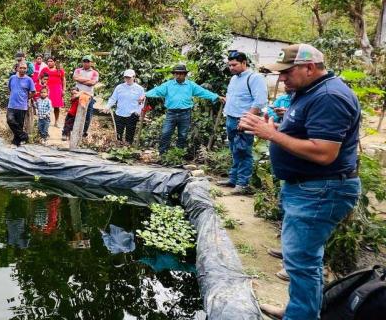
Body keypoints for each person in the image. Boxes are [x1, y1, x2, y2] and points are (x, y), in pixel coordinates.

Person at [239, 44, 361, 320]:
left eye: (287, 72)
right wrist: (278, 128)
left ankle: (301, 316)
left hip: (320, 190)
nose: (282, 78)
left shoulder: (329, 97)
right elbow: (308, 134)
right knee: (301, 259)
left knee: (301, 261)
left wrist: (271, 135)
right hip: (309, 188)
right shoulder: (309, 91)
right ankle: (299, 309)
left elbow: (324, 152)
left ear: (310, 68)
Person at [143, 64, 225, 155]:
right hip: (171, 113)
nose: (178, 75)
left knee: (182, 135)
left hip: (185, 113)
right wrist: (145, 95)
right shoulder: (168, 85)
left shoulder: (191, 85)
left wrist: (217, 97)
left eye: (180, 73)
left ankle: (178, 155)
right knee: (166, 133)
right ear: (174, 74)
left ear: (185, 74)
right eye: (176, 73)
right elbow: (157, 90)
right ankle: (163, 154)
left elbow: (203, 92)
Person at [223, 51, 268, 195]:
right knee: (234, 150)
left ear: (244, 63)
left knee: (243, 151)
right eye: (230, 65)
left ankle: (242, 184)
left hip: (243, 120)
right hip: (231, 119)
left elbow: (259, 102)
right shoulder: (234, 79)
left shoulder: (254, 78)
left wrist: (247, 120)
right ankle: (233, 179)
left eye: (234, 65)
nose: (231, 68)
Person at [104, 69, 145, 144]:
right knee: (118, 133)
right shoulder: (119, 87)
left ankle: (128, 146)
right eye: (126, 77)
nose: (127, 79)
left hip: (132, 115)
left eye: (129, 77)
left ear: (134, 77)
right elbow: (113, 98)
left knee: (130, 134)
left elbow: (142, 103)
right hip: (119, 113)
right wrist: (108, 106)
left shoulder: (139, 89)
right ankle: (118, 146)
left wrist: (138, 112)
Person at [6, 62, 35, 146]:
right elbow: (9, 88)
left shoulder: (29, 80)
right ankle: (24, 136)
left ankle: (16, 142)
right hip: (11, 105)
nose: (23, 69)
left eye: (25, 68)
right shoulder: (12, 78)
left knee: (19, 124)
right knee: (10, 120)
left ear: (27, 69)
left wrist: (26, 98)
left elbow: (33, 92)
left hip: (22, 106)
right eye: (21, 68)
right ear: (17, 68)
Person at [72, 55, 99, 136]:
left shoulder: (95, 73)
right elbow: (75, 78)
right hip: (77, 95)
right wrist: (88, 80)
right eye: (84, 61)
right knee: (74, 113)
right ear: (82, 62)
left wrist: (80, 80)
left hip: (89, 96)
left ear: (91, 63)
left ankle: (84, 132)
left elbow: (92, 83)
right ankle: (74, 130)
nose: (86, 63)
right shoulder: (78, 70)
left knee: (88, 115)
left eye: (88, 61)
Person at [41, 57, 66, 126]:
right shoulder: (45, 69)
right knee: (45, 105)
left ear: (54, 62)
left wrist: (64, 89)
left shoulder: (59, 70)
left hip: (57, 89)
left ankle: (56, 122)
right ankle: (45, 121)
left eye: (51, 61)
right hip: (47, 89)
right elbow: (40, 78)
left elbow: (63, 79)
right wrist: (43, 83)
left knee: (56, 106)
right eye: (48, 61)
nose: (49, 63)